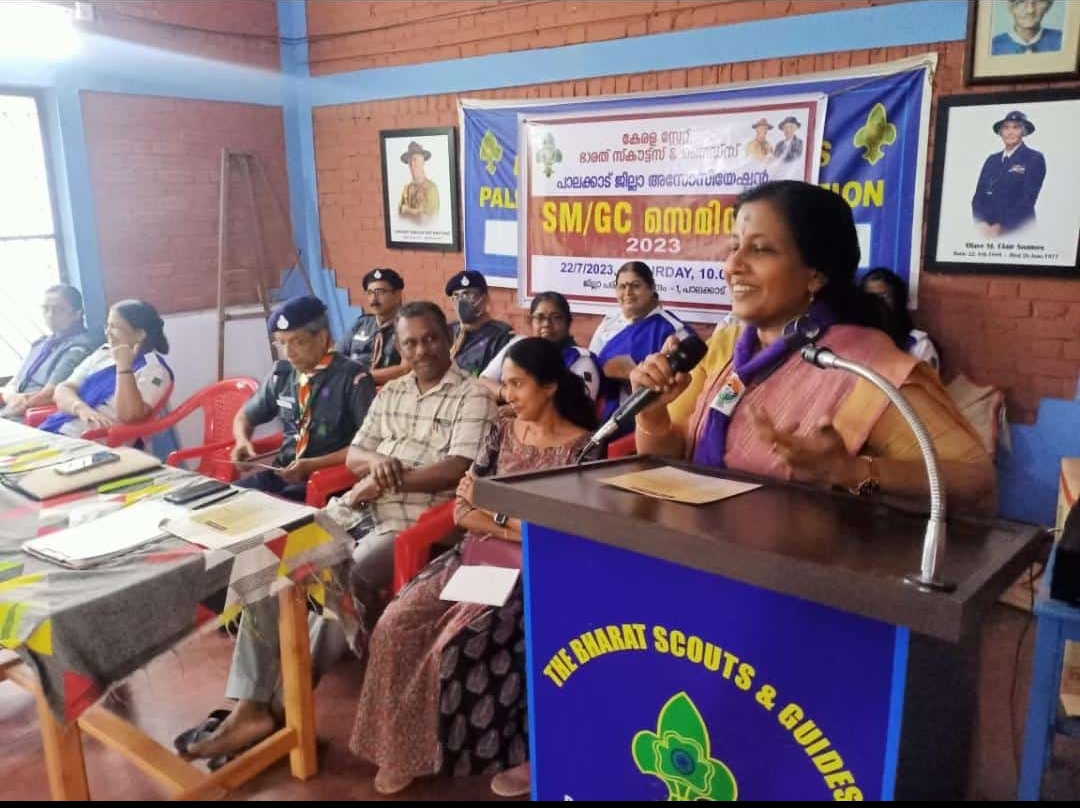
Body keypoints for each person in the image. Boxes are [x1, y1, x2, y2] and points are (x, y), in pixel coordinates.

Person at [178, 302, 498, 766]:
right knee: (264, 561)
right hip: (354, 511)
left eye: (431, 338)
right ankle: (250, 706)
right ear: (399, 346)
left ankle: (286, 709)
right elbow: (355, 456)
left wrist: (387, 481)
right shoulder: (392, 393)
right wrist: (376, 466)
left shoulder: (473, 396)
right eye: (410, 342)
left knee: (339, 582)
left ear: (447, 339)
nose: (421, 350)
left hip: (414, 524)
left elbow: (457, 468)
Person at [628, 180, 995, 514]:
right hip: (696, 550)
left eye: (760, 249)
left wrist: (851, 471)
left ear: (816, 274)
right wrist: (653, 415)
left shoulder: (866, 366)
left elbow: (974, 480)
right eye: (734, 247)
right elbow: (669, 461)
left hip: (798, 562)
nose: (734, 265)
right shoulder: (725, 346)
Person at [349, 337, 598, 796]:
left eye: (518, 384)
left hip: (532, 574)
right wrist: (511, 521)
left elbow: (559, 535)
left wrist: (494, 514)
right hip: (475, 557)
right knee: (394, 624)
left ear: (548, 386)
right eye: (506, 384)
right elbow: (463, 511)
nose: (507, 395)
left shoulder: (582, 450)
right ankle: (398, 750)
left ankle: (458, 751)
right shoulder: (500, 432)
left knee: (450, 644)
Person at [231, 295, 376, 501]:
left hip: (329, 481)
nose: (288, 352)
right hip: (282, 475)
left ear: (322, 338)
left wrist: (312, 465)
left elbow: (369, 444)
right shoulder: (282, 375)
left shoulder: (352, 379)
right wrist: (242, 440)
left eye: (297, 342)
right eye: (281, 343)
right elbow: (245, 416)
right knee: (227, 499)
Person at [41, 300, 172, 437]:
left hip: (97, 438)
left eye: (114, 327)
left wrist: (124, 367)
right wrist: (81, 409)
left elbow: (130, 416)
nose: (107, 332)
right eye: (107, 325)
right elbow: (63, 389)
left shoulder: (155, 371)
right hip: (62, 427)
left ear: (140, 334)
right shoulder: (104, 352)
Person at [588, 261, 687, 434]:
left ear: (651, 288)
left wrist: (631, 373)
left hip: (645, 422)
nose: (628, 292)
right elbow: (591, 366)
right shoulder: (608, 323)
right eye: (622, 286)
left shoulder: (672, 329)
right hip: (603, 416)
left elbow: (682, 386)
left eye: (635, 286)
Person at [478, 291, 601, 403]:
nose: (546, 324)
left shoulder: (580, 359)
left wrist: (516, 408)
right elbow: (483, 382)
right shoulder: (518, 345)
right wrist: (508, 395)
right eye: (540, 318)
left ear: (568, 322)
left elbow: (579, 406)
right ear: (531, 322)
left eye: (556, 317)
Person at [1, 285, 101, 419]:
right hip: (12, 405)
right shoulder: (41, 343)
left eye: (58, 310)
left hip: (31, 414)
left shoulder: (80, 347)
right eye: (45, 309)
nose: (50, 315)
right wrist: (10, 396)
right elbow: (13, 383)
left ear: (77, 314)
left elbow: (49, 394)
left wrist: (16, 403)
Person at [971, 110, 1046, 237]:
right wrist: (981, 223)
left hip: (1018, 229)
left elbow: (1027, 199)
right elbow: (978, 196)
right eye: (1006, 127)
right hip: (986, 230)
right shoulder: (992, 159)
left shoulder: (1034, 158)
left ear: (1023, 132)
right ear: (1001, 132)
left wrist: (1000, 226)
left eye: (1016, 127)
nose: (1010, 132)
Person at [337, 267, 410, 386]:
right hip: (351, 388)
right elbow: (336, 357)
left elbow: (405, 369)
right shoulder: (361, 324)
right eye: (369, 292)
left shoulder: (407, 326)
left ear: (397, 295)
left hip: (388, 390)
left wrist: (361, 376)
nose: (373, 299)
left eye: (380, 292)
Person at [860, 268, 941, 372]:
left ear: (898, 299)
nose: (876, 304)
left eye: (882, 297)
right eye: (869, 298)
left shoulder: (919, 345)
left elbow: (928, 382)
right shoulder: (855, 339)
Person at [445, 270, 514, 377]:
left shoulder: (501, 335)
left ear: (484, 299)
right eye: (456, 296)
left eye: (467, 295)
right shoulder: (448, 331)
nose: (460, 302)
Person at [991, 0, 1062, 55]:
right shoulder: (993, 47)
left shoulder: (1062, 41)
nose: (1030, 10)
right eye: (1021, 1)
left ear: (1048, 6)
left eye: (1038, 1)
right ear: (1010, 7)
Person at [398, 141, 440, 220]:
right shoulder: (406, 189)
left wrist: (407, 210)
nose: (412, 164)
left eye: (415, 159)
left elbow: (427, 219)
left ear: (422, 161)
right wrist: (415, 213)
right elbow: (399, 216)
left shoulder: (431, 188)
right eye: (409, 161)